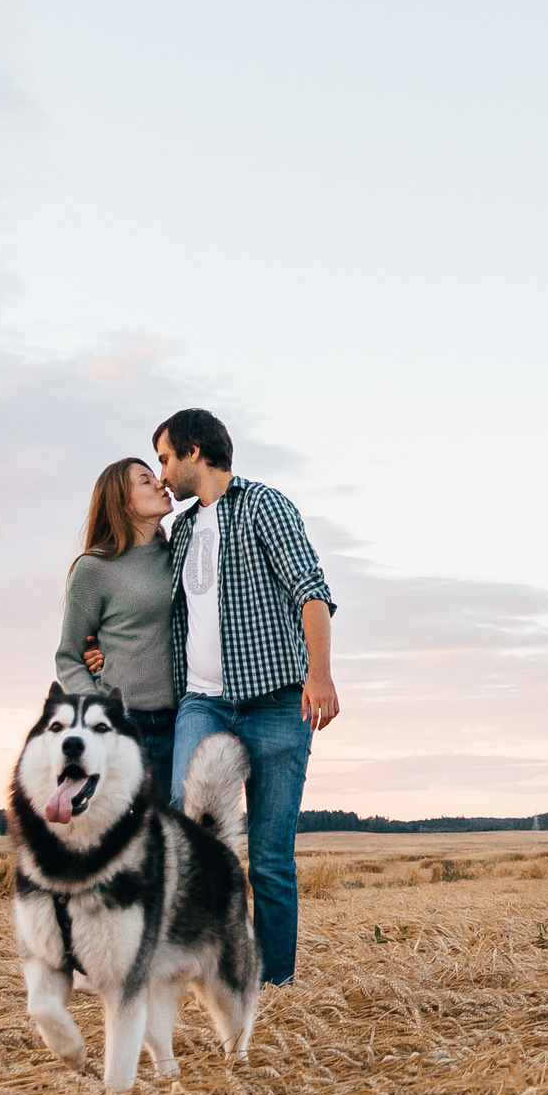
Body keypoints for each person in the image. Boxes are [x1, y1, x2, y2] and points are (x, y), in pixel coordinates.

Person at [155, 407, 337, 989]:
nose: (161, 474)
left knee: (271, 861)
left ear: (193, 452)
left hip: (277, 702)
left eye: (164, 458)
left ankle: (274, 986)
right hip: (203, 703)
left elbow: (311, 590)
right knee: (192, 839)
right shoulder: (181, 531)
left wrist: (321, 676)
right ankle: (206, 966)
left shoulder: (265, 506)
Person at [54, 455, 178, 802]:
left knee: (173, 839)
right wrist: (104, 714)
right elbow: (68, 658)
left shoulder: (180, 554)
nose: (160, 483)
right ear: (122, 502)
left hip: (185, 721)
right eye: (145, 480)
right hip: (127, 727)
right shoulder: (94, 568)